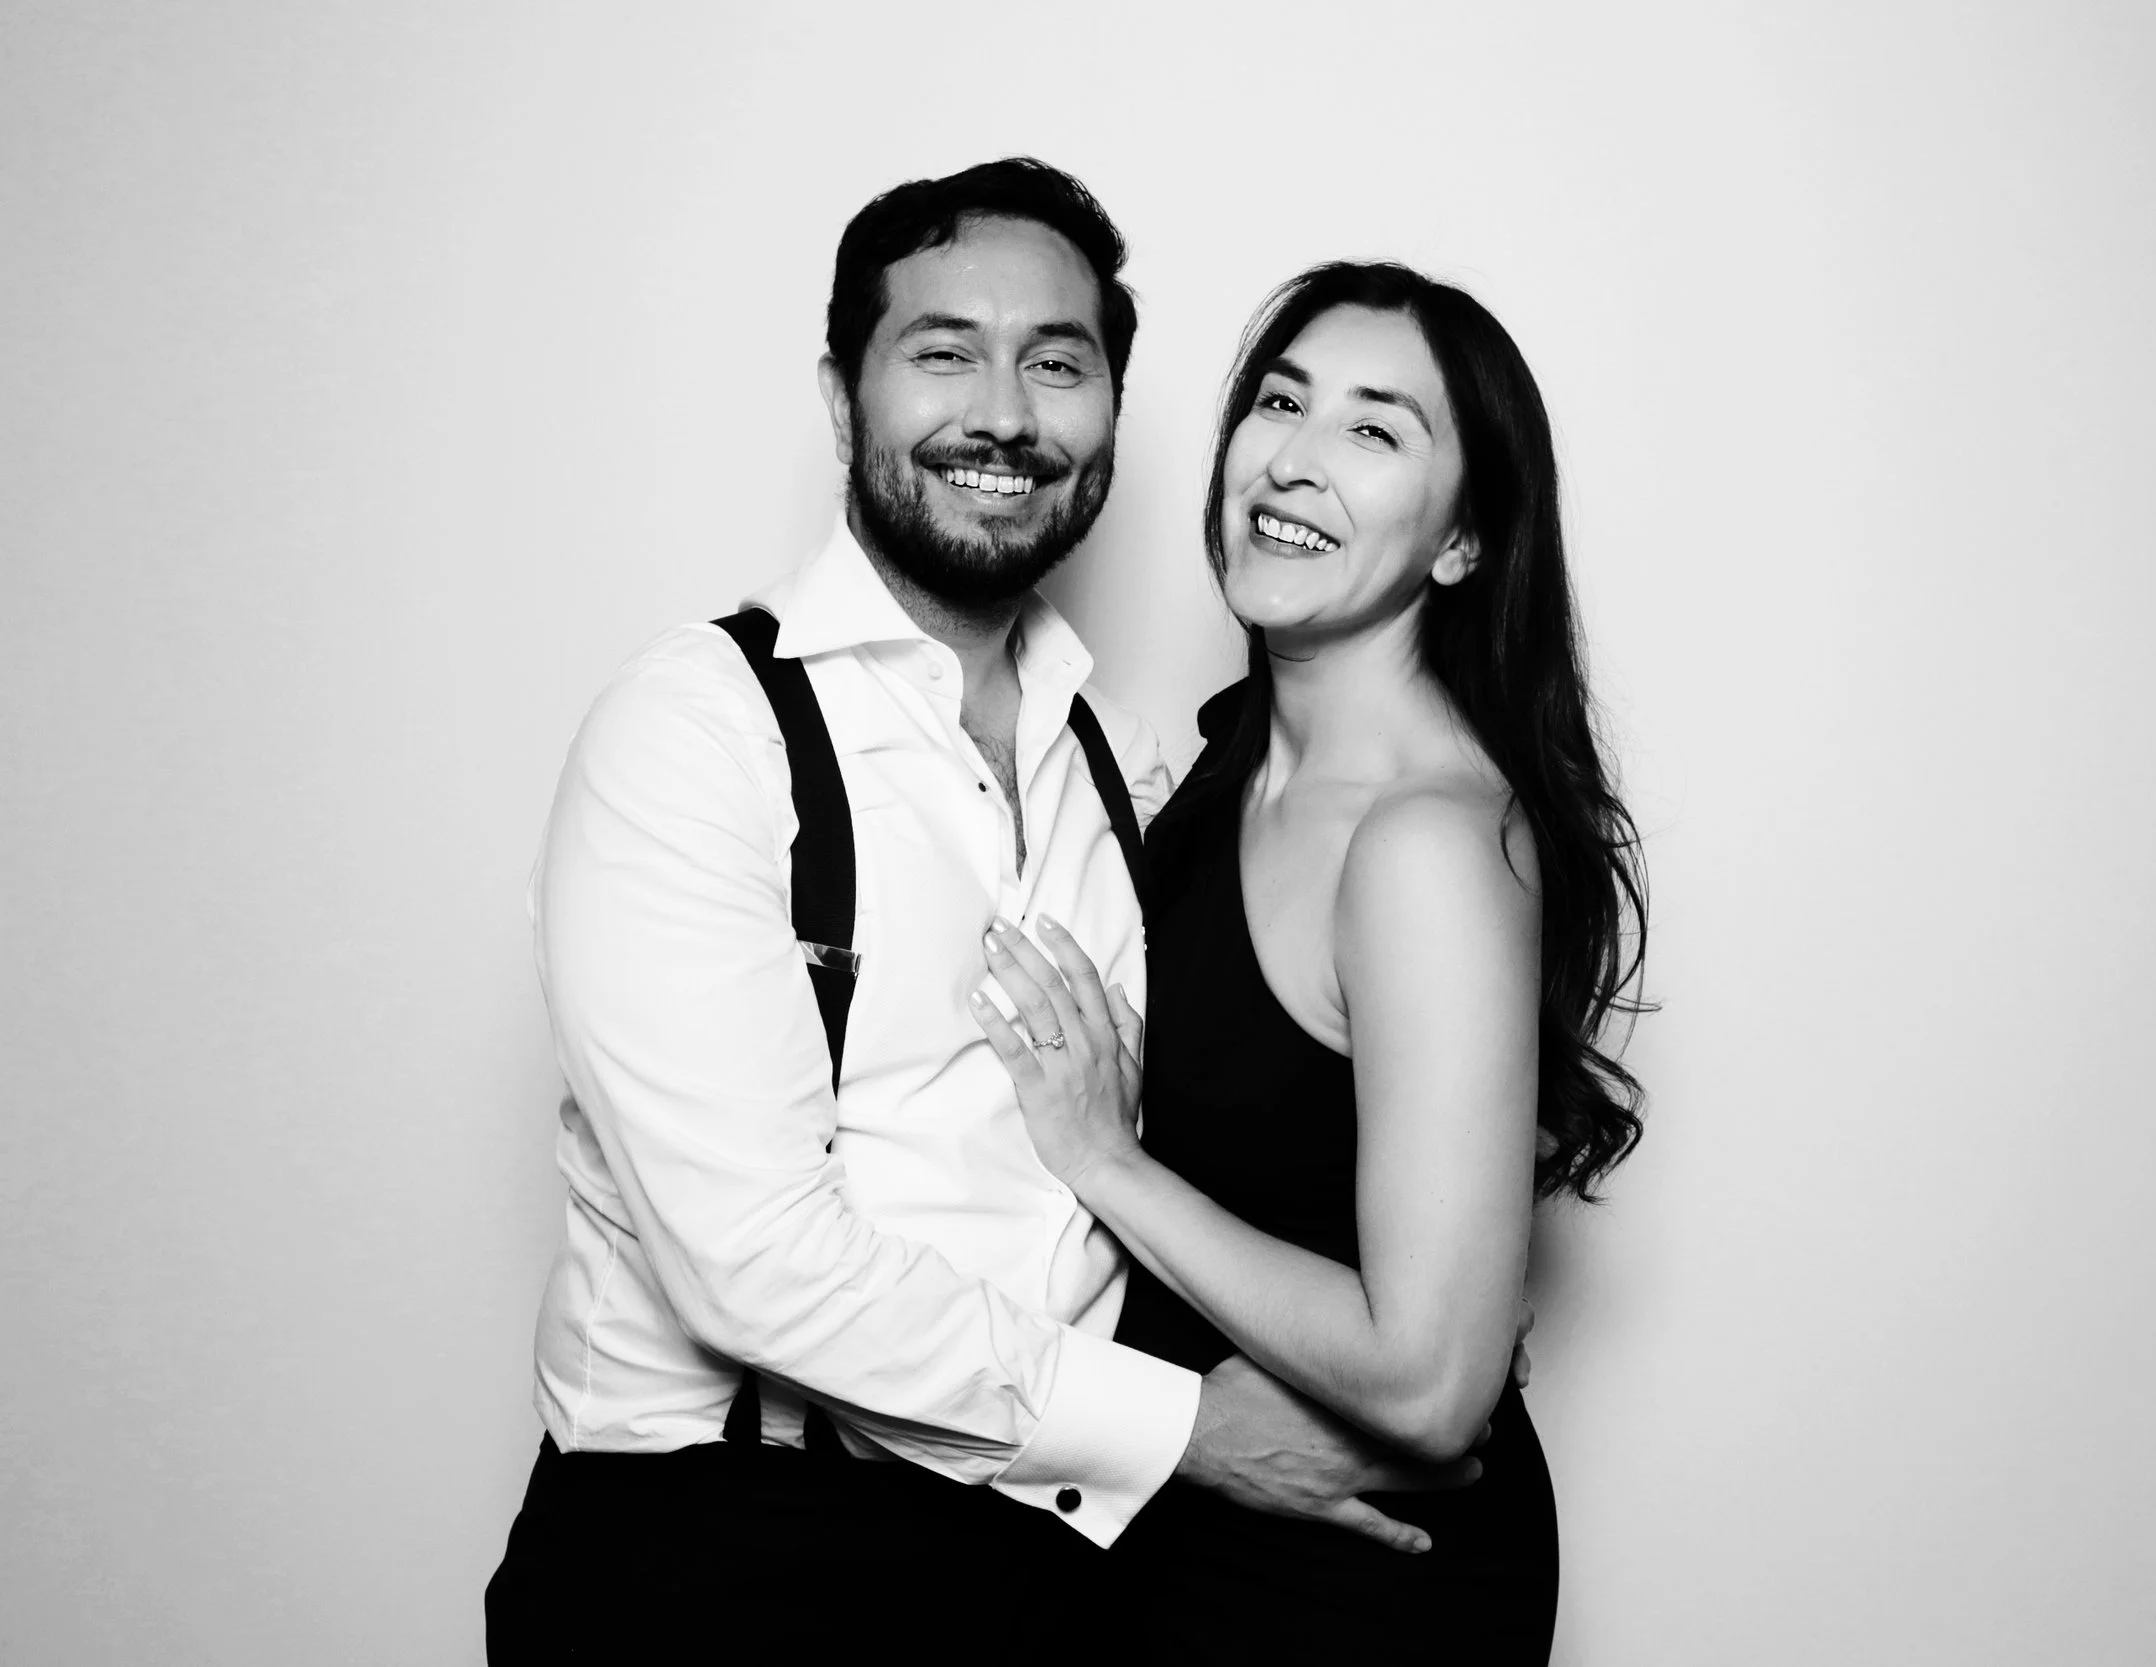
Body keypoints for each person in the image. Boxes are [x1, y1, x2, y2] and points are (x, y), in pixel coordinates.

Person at [482, 163, 1488, 1664]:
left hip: (1067, 1571)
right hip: (731, 1566)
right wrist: (1181, 1429)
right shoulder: (699, 733)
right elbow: (750, 1257)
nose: (1006, 415)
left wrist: (1448, 1316)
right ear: (845, 398)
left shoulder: (1126, 761)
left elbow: (1282, 1098)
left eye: (1058, 364)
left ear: (1110, 419)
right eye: (945, 351)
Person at [970, 261, 1649, 1662]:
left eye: (1376, 428)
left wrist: (1106, 1163)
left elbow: (1430, 1377)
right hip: (1185, 1515)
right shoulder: (1231, 760)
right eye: (1281, 400)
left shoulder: (1422, 844)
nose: (1294, 455)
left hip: (1356, 1581)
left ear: (1461, 543)